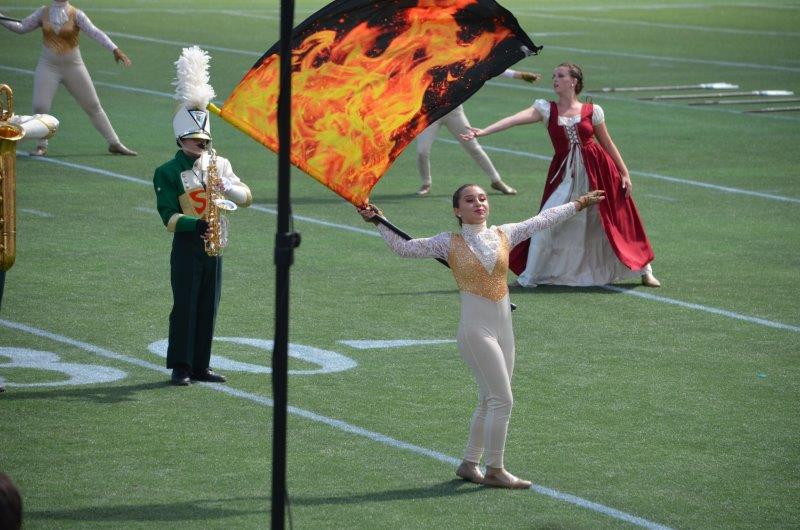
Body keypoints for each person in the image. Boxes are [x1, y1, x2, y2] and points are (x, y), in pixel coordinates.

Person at [358, 184, 604, 488]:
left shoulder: (505, 234)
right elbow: (404, 248)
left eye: (483, 198)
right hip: (476, 331)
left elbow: (542, 220)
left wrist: (579, 203)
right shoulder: (447, 242)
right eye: (470, 200)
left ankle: (469, 463)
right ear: (457, 211)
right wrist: (379, 220)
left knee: (490, 399)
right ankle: (495, 469)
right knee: (503, 400)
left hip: (504, 328)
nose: (479, 203)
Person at [462, 63, 660, 288]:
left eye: (561, 75)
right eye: (554, 76)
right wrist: (484, 131)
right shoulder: (545, 108)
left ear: (573, 81)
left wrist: (624, 172)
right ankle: (530, 275)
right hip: (565, 175)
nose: (555, 79)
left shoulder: (592, 110)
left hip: (599, 171)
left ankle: (645, 270)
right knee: (546, 222)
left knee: (617, 220)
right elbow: (514, 119)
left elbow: (607, 143)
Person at [153, 47, 252, 385]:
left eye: (204, 140)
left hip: (215, 243)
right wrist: (197, 224)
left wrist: (227, 187)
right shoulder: (167, 172)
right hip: (187, 243)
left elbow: (247, 197)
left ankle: (201, 365)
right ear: (181, 139)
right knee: (185, 304)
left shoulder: (219, 164)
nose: (201, 145)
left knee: (209, 304)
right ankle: (181, 365)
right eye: (194, 140)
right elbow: (168, 218)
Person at [0, 0, 137, 156]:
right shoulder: (43, 12)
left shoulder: (77, 14)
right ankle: (41, 145)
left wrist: (115, 49)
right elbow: (21, 27)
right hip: (48, 66)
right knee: (40, 106)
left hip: (74, 67)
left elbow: (95, 32)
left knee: (93, 105)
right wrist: (1, 17)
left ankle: (114, 143)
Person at [415, 69, 541, 197]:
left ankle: (496, 180)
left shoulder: (458, 59)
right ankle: (426, 183)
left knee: (473, 146)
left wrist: (520, 75)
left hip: (453, 111)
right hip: (429, 114)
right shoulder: (424, 60)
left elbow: (490, 65)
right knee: (422, 151)